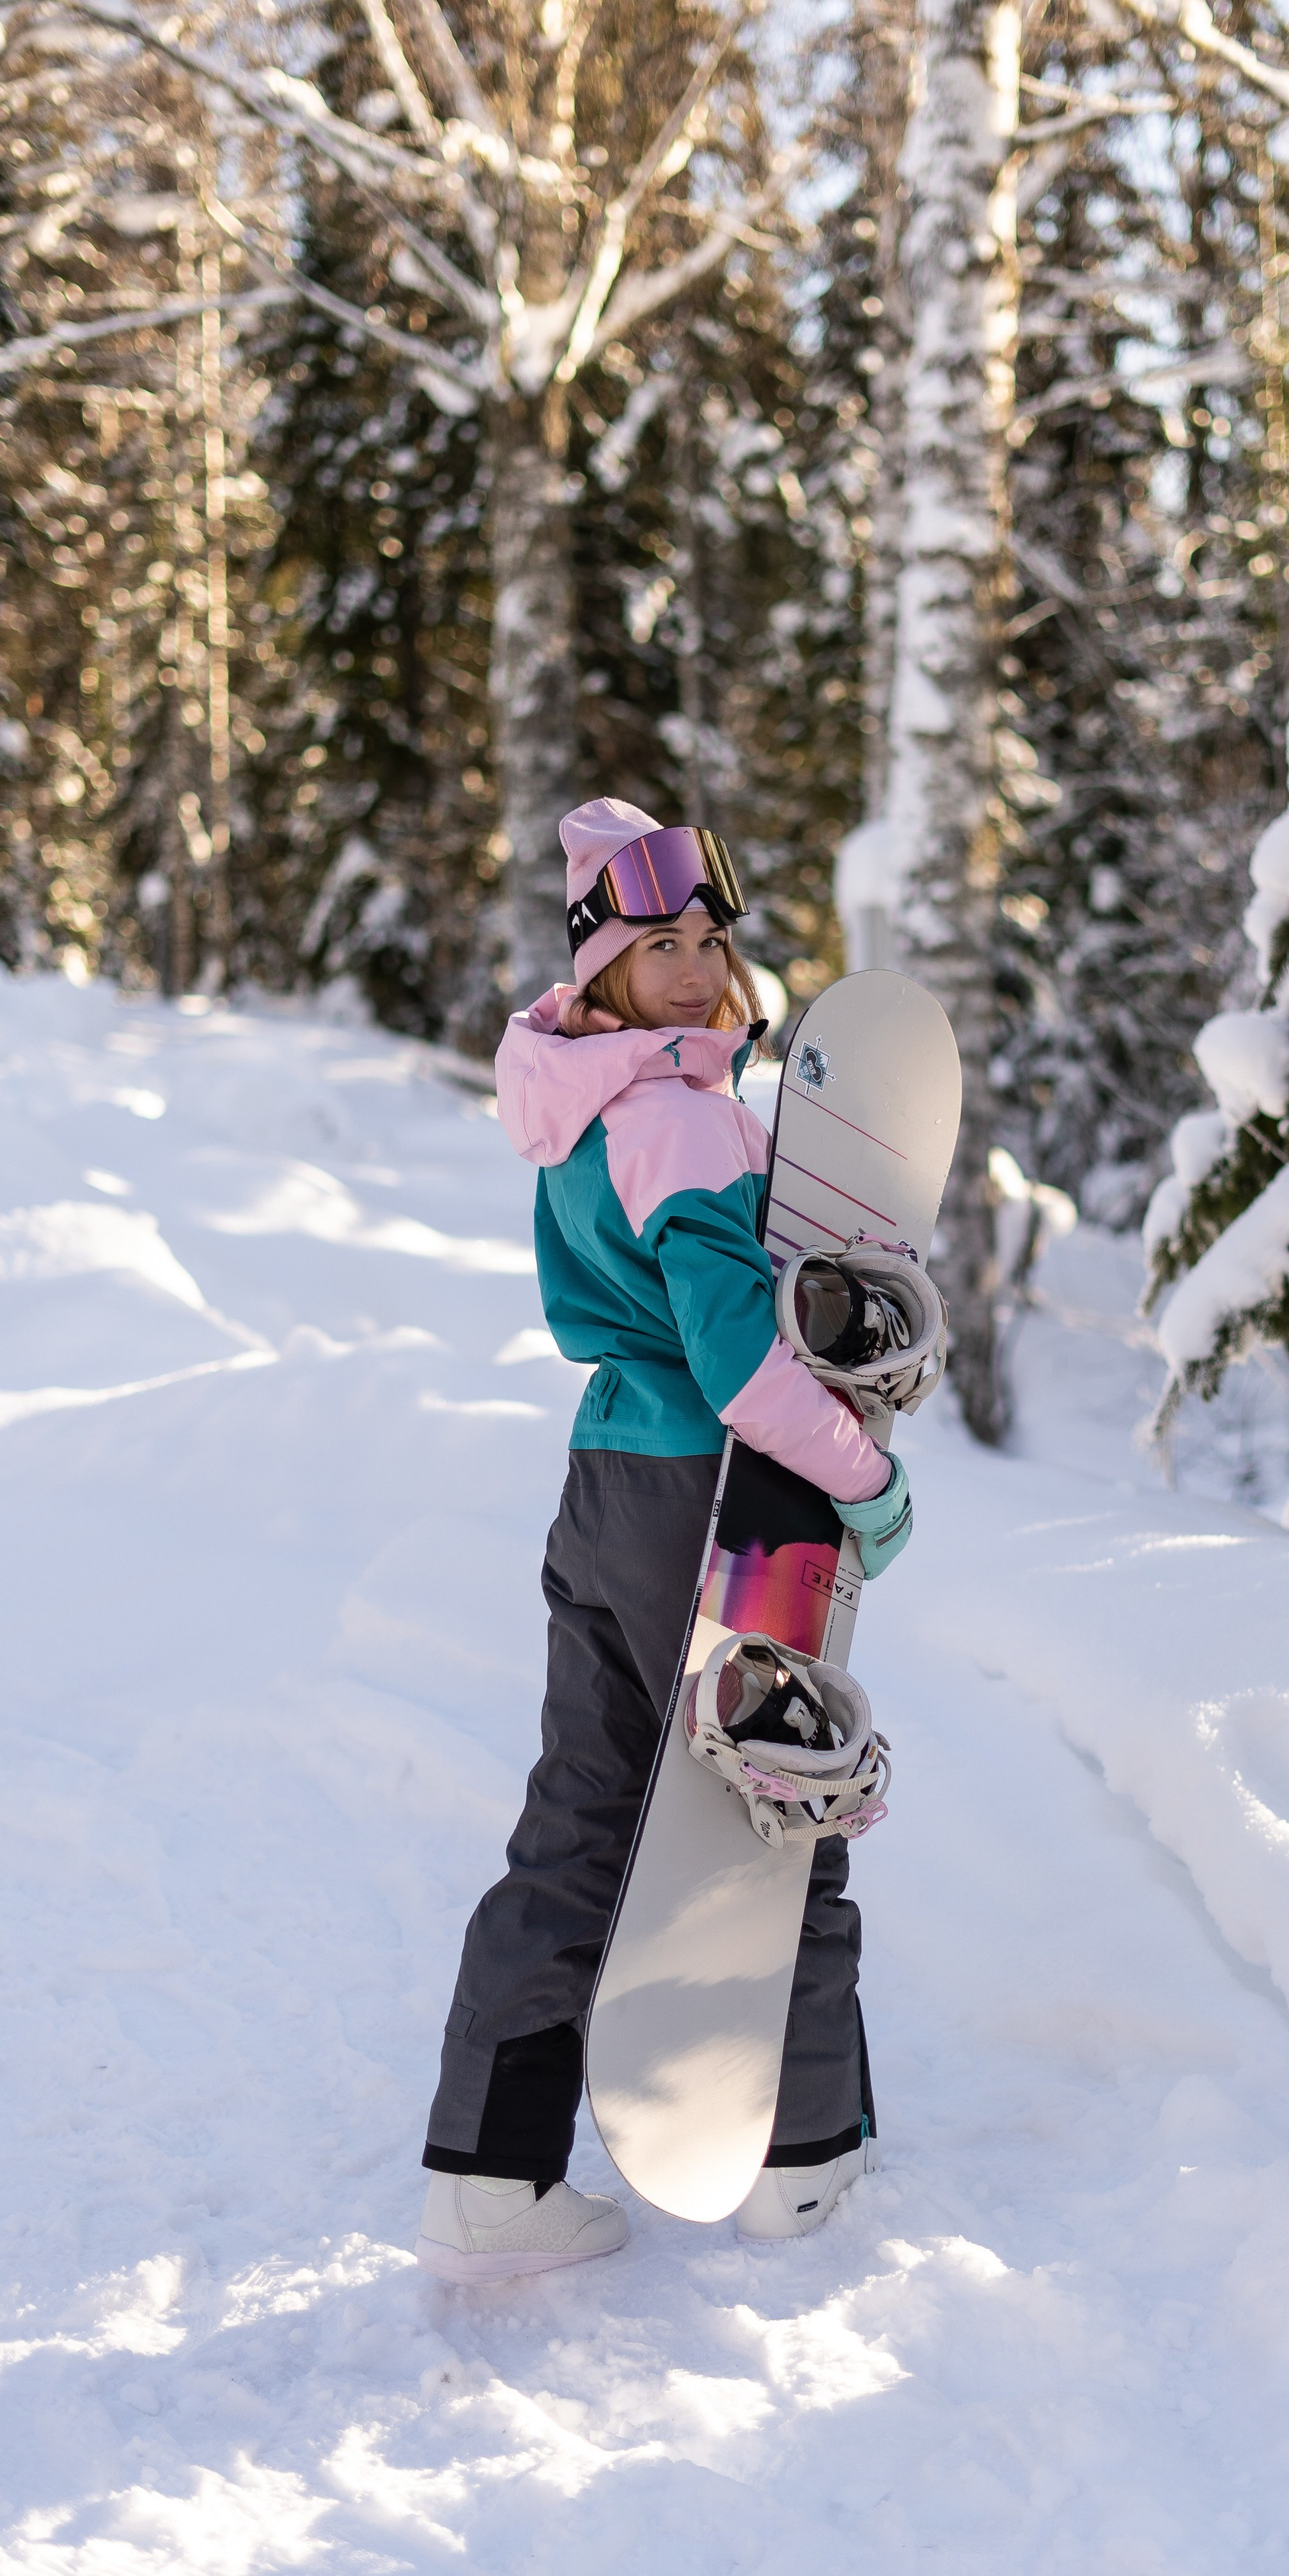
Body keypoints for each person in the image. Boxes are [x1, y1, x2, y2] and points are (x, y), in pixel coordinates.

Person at [416, 799, 914, 2282]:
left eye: (710, 940)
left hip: (608, 1481)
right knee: (778, 1792)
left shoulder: (582, 1099)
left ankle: (487, 2175)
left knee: (586, 1808)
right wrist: (862, 1477)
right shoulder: (686, 1120)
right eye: (659, 948)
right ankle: (801, 2155)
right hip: (719, 1501)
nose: (695, 971)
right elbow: (740, 1364)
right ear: (603, 966)